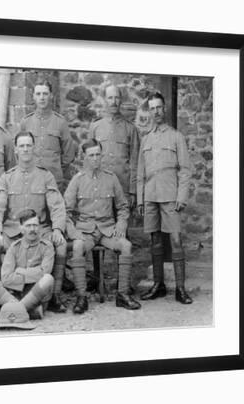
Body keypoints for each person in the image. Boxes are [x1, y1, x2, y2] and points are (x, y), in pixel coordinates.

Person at [0, 131, 68, 312]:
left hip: (38, 230)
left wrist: (57, 229)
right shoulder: (6, 178)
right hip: (13, 230)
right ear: (15, 150)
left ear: (34, 148)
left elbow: (56, 205)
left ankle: (54, 295)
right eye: (21, 146)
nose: (25, 149)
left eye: (28, 145)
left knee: (61, 245)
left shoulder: (45, 176)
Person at [64, 139, 141, 312]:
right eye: (91, 155)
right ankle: (81, 297)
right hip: (86, 231)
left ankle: (122, 295)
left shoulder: (111, 178)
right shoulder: (77, 180)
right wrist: (73, 231)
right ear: (84, 157)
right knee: (77, 247)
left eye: (98, 154)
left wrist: (121, 225)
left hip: (108, 230)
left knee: (126, 246)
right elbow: (65, 211)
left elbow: (122, 206)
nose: (95, 159)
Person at [137, 92, 193, 304]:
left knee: (176, 240)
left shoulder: (176, 136)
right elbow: (140, 172)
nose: (156, 112)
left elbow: (185, 170)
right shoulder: (146, 139)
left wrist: (182, 196)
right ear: (149, 111)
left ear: (164, 108)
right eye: (152, 108)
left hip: (171, 196)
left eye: (159, 107)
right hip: (151, 195)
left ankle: (180, 288)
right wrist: (141, 199)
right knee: (155, 240)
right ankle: (158, 285)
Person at [0, 209, 54, 320]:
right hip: (14, 295)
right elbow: (6, 278)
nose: (32, 229)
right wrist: (33, 273)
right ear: (21, 228)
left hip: (35, 294)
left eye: (35, 225)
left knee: (48, 279)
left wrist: (19, 271)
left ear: (39, 227)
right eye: (28, 226)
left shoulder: (47, 246)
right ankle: (27, 312)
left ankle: (7, 313)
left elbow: (44, 273)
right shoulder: (14, 247)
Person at [19, 79, 76, 192]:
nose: (42, 97)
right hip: (31, 180)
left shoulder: (60, 122)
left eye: (45, 94)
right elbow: (20, 151)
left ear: (51, 96)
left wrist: (56, 168)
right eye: (38, 94)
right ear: (33, 97)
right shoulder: (26, 122)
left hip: (54, 180)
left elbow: (69, 153)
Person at [89, 85, 140, 209]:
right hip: (100, 186)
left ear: (121, 100)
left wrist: (133, 190)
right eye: (110, 98)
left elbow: (135, 162)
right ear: (105, 100)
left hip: (123, 188)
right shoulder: (96, 127)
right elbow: (89, 159)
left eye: (116, 98)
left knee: (122, 226)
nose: (113, 102)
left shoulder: (130, 128)